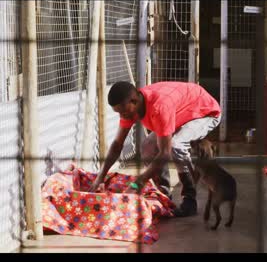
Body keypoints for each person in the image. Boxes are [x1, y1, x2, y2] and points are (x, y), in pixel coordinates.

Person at [88, 81, 221, 217]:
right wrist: (100, 177)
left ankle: (189, 200)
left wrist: (138, 183)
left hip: (205, 112)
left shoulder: (159, 107)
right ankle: (164, 196)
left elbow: (165, 153)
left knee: (176, 145)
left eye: (123, 112)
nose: (122, 116)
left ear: (134, 101)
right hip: (180, 113)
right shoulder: (130, 109)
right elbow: (117, 145)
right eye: (118, 113)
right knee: (147, 147)